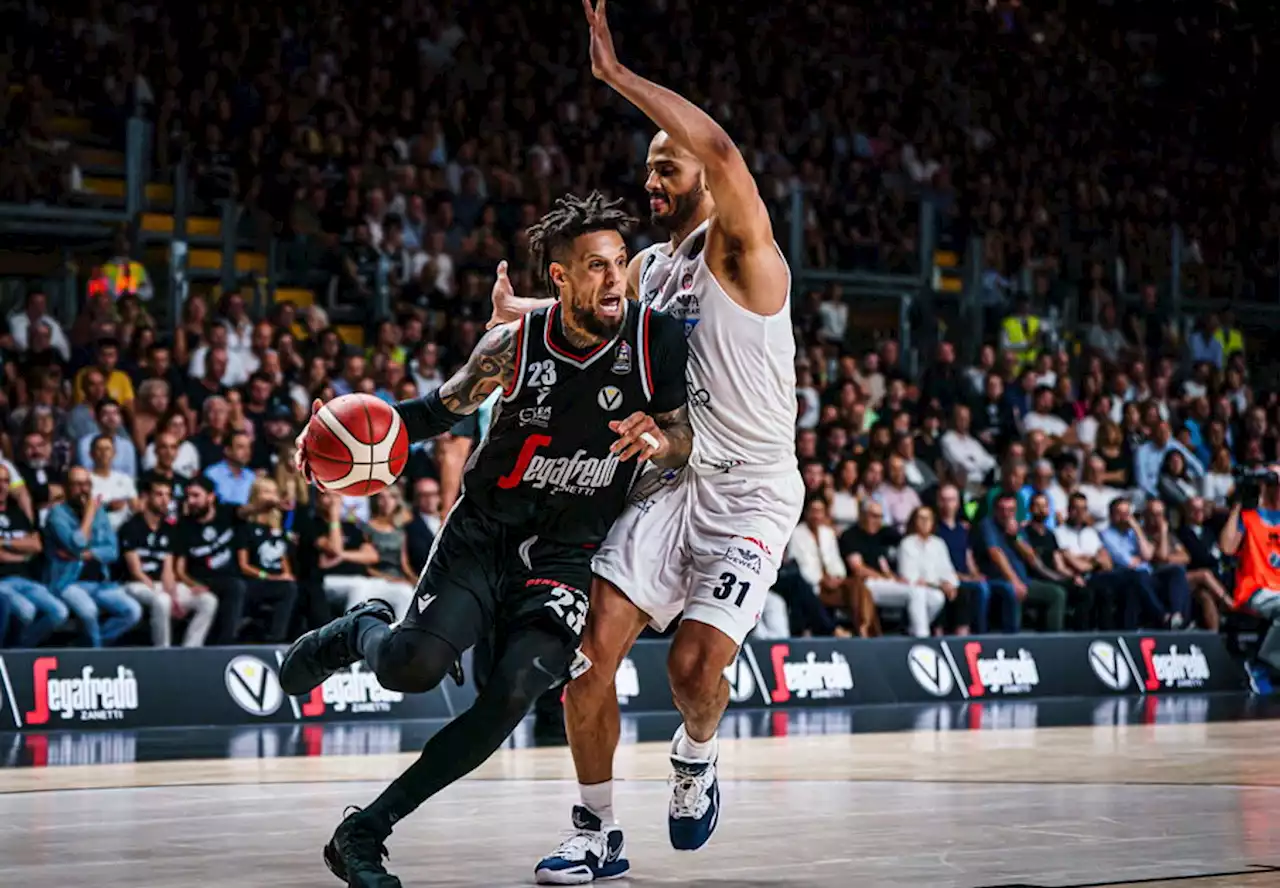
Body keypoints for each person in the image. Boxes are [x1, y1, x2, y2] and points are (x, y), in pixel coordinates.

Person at [463, 7, 804, 880]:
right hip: (672, 479)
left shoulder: (748, 255)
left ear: (703, 174)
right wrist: (526, 315)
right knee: (587, 658)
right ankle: (595, 832)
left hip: (753, 492)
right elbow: (607, 315)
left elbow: (724, 155)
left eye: (667, 167)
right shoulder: (653, 267)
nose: (652, 182)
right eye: (649, 169)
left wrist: (616, 76)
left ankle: (696, 754)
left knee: (693, 669)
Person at [283, 190, 691, 887]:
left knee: (511, 696)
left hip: (565, 555)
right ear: (559, 278)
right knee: (407, 669)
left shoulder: (657, 341)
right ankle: (364, 632)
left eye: (620, 263)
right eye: (595, 267)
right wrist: (328, 439)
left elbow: (682, 437)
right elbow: (431, 413)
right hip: (485, 536)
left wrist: (661, 442)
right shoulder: (513, 347)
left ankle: (362, 832)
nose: (614, 281)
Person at [44, 468, 143, 647]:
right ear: (66, 488)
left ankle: (90, 646)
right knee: (89, 611)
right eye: (77, 484)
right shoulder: (57, 515)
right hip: (68, 582)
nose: (83, 489)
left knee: (132, 611)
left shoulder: (100, 513)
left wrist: (85, 554)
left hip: (100, 582)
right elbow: (76, 544)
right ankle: (96, 653)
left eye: (87, 484)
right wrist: (89, 514)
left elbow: (112, 550)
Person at [119, 476, 218, 647]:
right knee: (162, 600)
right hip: (135, 584)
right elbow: (136, 571)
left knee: (208, 600)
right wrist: (163, 594)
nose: (165, 500)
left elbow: (168, 570)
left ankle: (190, 650)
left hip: (161, 585)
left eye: (168, 495)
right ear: (146, 497)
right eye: (159, 494)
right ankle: (163, 651)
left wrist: (174, 596)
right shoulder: (131, 527)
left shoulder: (169, 530)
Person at [1220, 468, 1280, 678]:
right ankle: (1263, 665)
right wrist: (1237, 504)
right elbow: (1227, 547)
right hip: (1255, 589)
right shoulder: (1248, 518)